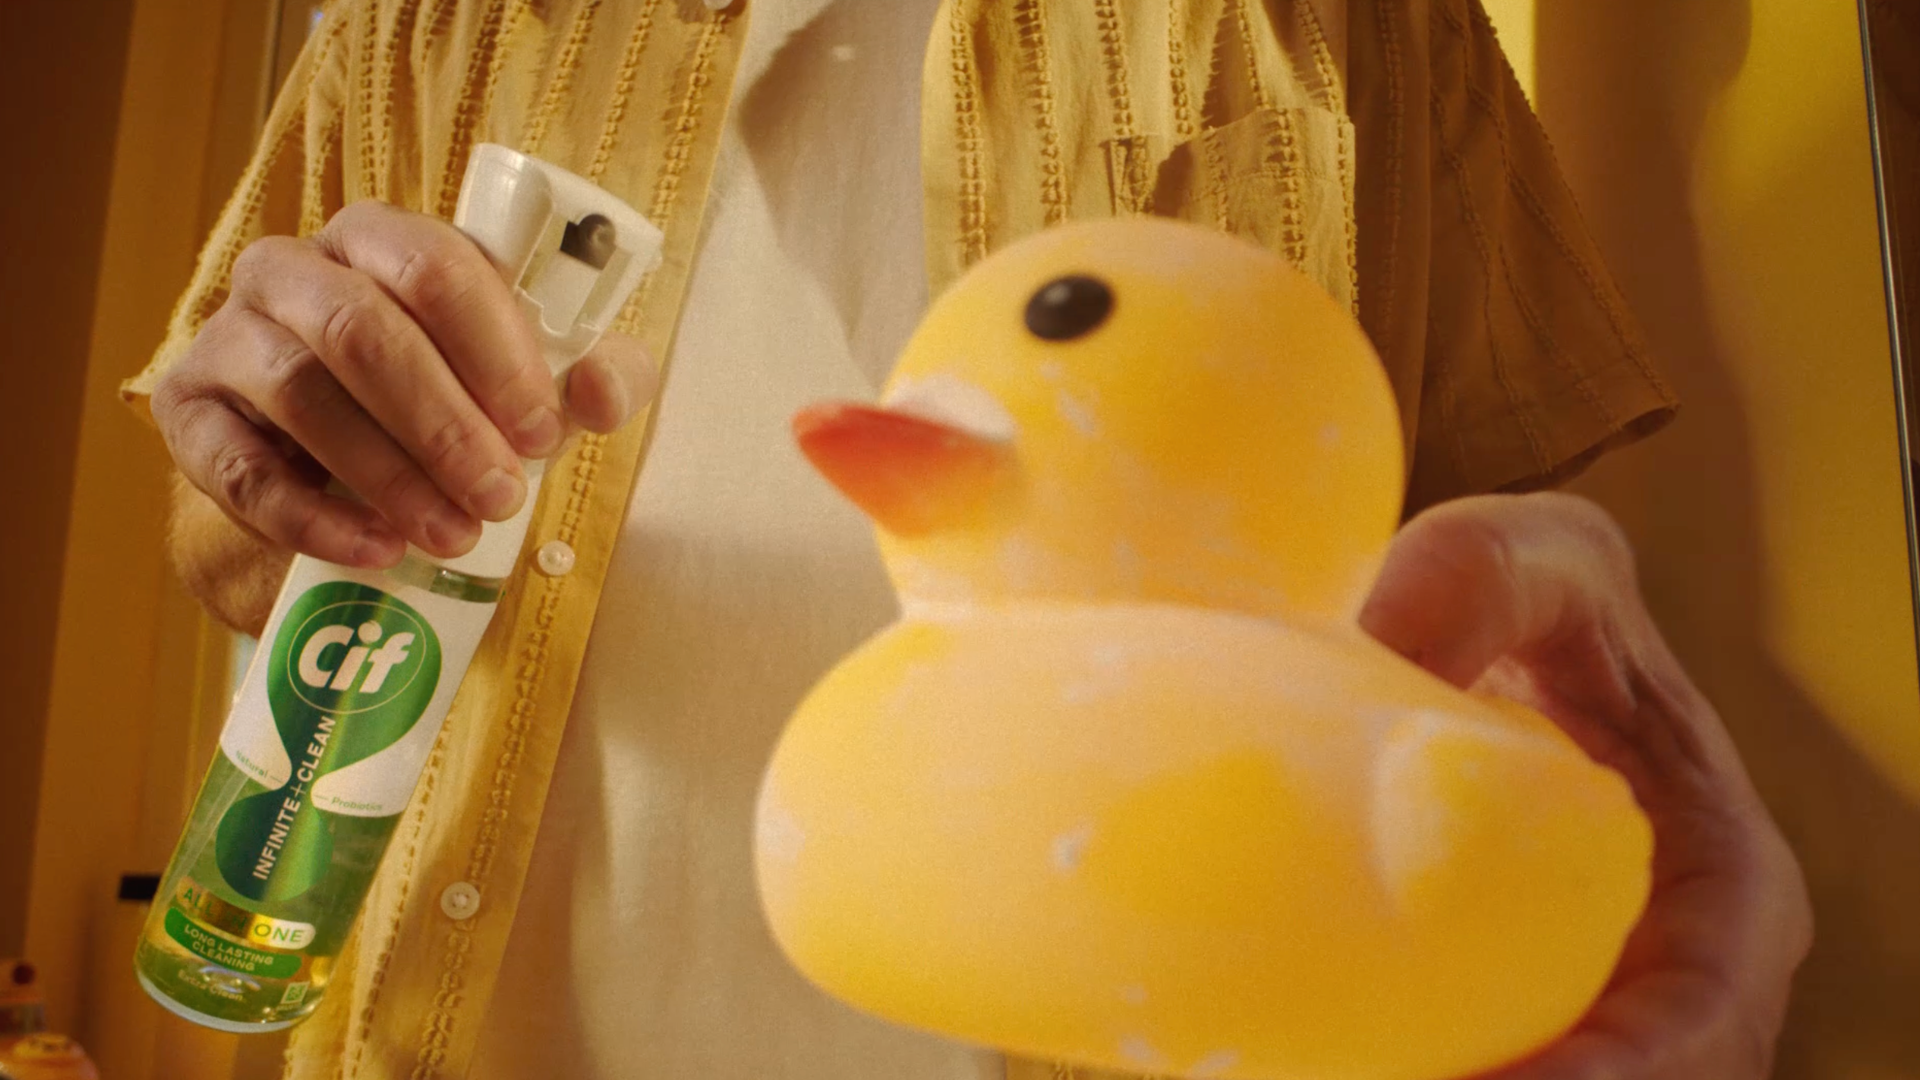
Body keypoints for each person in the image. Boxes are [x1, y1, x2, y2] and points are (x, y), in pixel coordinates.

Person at [125, 1, 1812, 1077]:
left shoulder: (1349, 15)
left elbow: (1488, 549)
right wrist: (262, 460)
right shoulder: (417, 19)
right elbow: (229, 545)